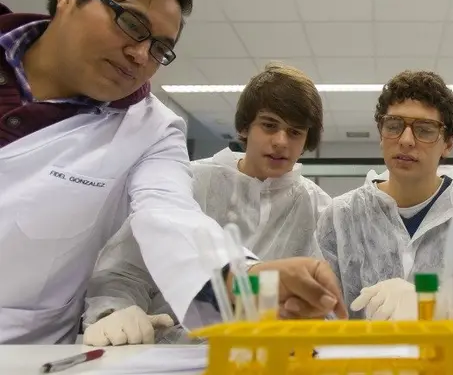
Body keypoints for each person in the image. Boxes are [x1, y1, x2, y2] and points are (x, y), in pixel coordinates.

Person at [0, 0, 344, 345]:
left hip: (19, 348)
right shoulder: (205, 178)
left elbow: (169, 218)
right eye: (131, 24)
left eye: (160, 49)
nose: (141, 54)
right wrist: (113, 311)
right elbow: (123, 270)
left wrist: (243, 284)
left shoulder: (153, 130)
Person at [82, 63, 332, 346]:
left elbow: (328, 301)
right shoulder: (185, 183)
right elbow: (123, 271)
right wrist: (116, 311)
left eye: (295, 132)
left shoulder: (317, 207)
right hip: (169, 356)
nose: (280, 141)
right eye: (269, 125)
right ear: (244, 127)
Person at [315, 70, 453, 320]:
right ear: (381, 134)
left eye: (425, 130)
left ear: (448, 143)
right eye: (394, 126)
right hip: (366, 359)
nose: (406, 140)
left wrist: (434, 302)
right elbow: (323, 315)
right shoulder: (340, 217)